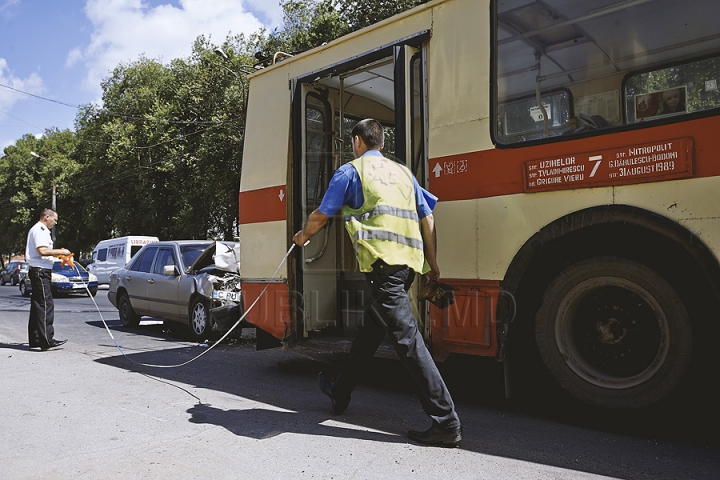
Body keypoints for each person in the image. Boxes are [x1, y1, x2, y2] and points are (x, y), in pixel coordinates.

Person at [293, 119, 462, 446]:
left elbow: (322, 214)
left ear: (357, 141)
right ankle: (340, 391)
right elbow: (428, 217)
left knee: (408, 341)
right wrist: (433, 263)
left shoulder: (351, 172)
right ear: (381, 143)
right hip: (408, 267)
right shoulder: (404, 174)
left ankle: (446, 421)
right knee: (372, 330)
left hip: (384, 267)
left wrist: (302, 236)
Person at [26, 208, 70, 351]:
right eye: (54, 219)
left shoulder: (39, 230)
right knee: (46, 305)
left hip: (39, 270)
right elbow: (42, 251)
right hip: (40, 271)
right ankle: (47, 340)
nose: (55, 222)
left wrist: (58, 256)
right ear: (46, 217)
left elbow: (44, 252)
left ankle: (36, 339)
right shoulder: (40, 230)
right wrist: (61, 252)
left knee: (38, 306)